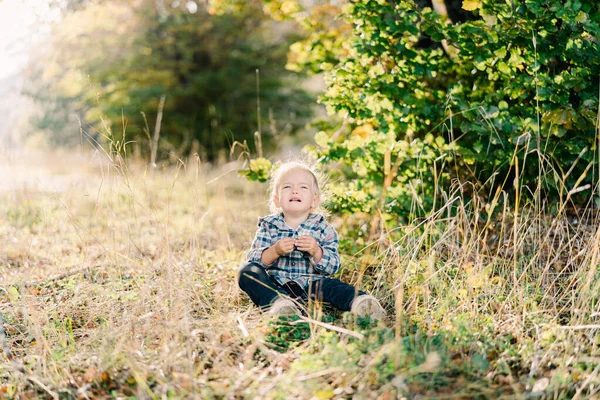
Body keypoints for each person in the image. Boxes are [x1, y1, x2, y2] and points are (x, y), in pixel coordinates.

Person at [237, 161, 386, 320]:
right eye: (287, 187)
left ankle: (362, 303)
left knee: (334, 287)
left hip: (312, 284)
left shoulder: (323, 229)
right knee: (247, 272)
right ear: (277, 200)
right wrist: (275, 251)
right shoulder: (268, 226)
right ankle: (279, 303)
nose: (295, 190)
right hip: (276, 284)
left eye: (303, 187)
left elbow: (333, 265)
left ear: (314, 201)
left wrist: (316, 251)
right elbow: (254, 260)